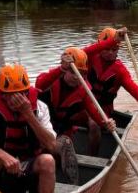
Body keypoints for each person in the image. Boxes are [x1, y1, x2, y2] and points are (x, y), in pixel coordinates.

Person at [0, 63, 57, 193]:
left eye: (20, 94)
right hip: (3, 160)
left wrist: (28, 114)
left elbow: (51, 144)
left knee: (48, 161)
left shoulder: (41, 108)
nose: (15, 99)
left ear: (26, 93)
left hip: (31, 160)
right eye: (9, 95)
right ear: (2, 94)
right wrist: (5, 157)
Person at [35, 47, 117, 183]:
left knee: (68, 142)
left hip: (59, 135)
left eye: (82, 74)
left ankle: (73, 185)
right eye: (73, 72)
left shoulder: (84, 91)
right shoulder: (51, 80)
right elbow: (40, 84)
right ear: (65, 70)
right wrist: (61, 69)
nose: (76, 77)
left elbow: (95, 114)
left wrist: (107, 123)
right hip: (38, 134)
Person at [83, 27, 138, 152]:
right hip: (81, 107)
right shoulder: (89, 57)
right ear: (101, 47)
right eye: (107, 49)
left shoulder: (120, 70)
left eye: (114, 49)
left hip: (103, 111)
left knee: (94, 125)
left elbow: (132, 87)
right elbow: (84, 51)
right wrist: (113, 40)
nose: (111, 52)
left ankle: (93, 155)